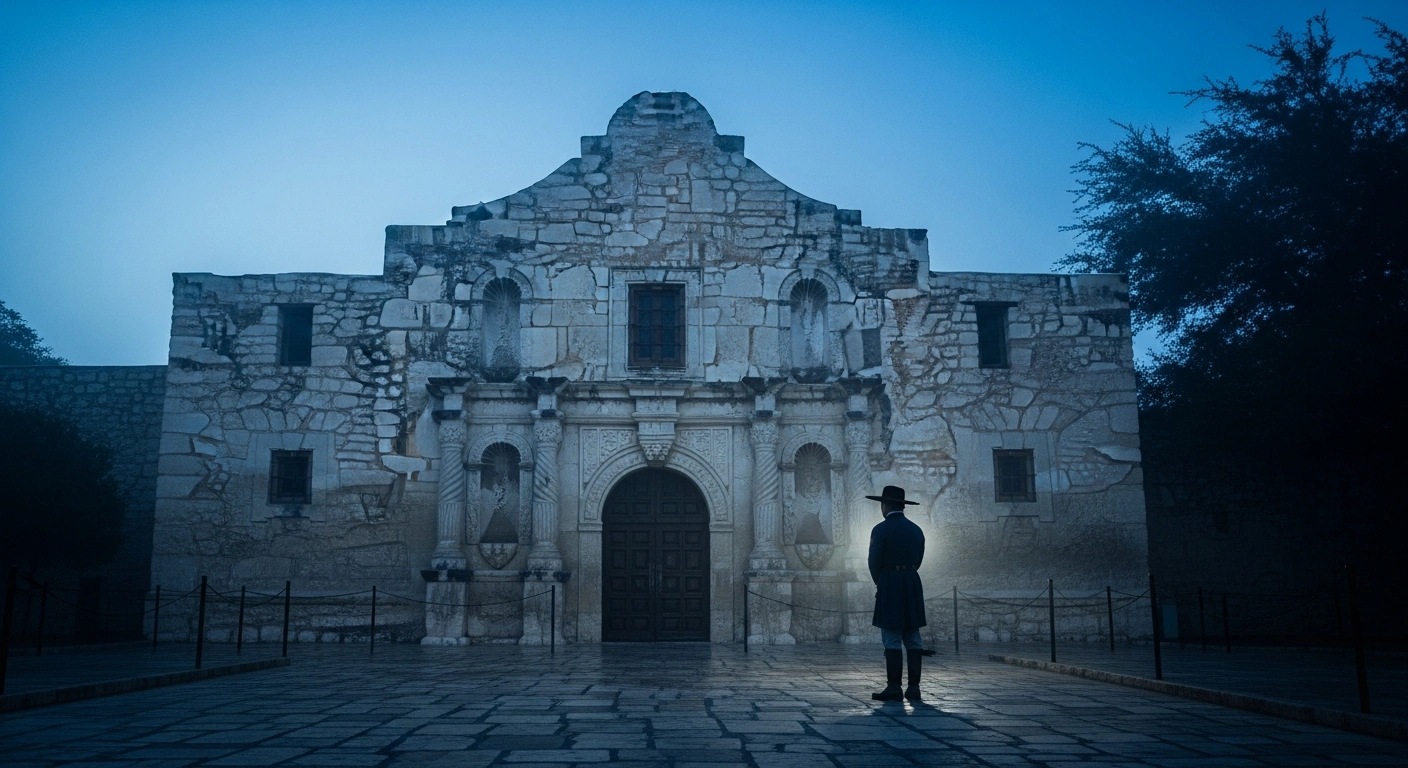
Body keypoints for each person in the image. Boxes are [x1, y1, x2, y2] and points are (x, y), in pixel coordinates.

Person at [866, 485, 926, 702]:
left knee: (891, 637)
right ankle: (914, 688)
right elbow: (918, 559)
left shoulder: (879, 530)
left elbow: (874, 562)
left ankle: (894, 687)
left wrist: (880, 582)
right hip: (911, 582)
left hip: (890, 582)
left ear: (885, 505)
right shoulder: (916, 529)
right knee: (913, 636)